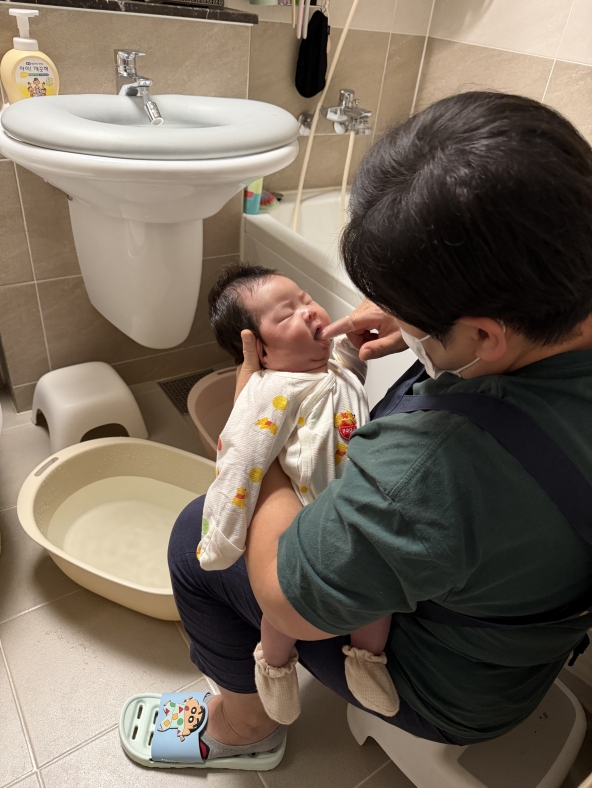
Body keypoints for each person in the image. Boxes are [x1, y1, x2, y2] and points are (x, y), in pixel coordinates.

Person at [121, 91, 592, 769]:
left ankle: (244, 729)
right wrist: (421, 322)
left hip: (455, 690)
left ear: (485, 334)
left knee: (193, 537)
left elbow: (285, 599)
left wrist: (255, 437)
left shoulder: (431, 466)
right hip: (526, 642)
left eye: (414, 315)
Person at [198, 263, 397, 725]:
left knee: (379, 592)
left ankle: (366, 660)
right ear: (261, 351)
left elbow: (350, 371)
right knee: (279, 613)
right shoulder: (271, 389)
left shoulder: (333, 366)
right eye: (286, 315)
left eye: (306, 300)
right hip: (308, 521)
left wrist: (357, 339)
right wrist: (220, 535)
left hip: (358, 512)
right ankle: (274, 666)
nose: (308, 312)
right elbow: (240, 460)